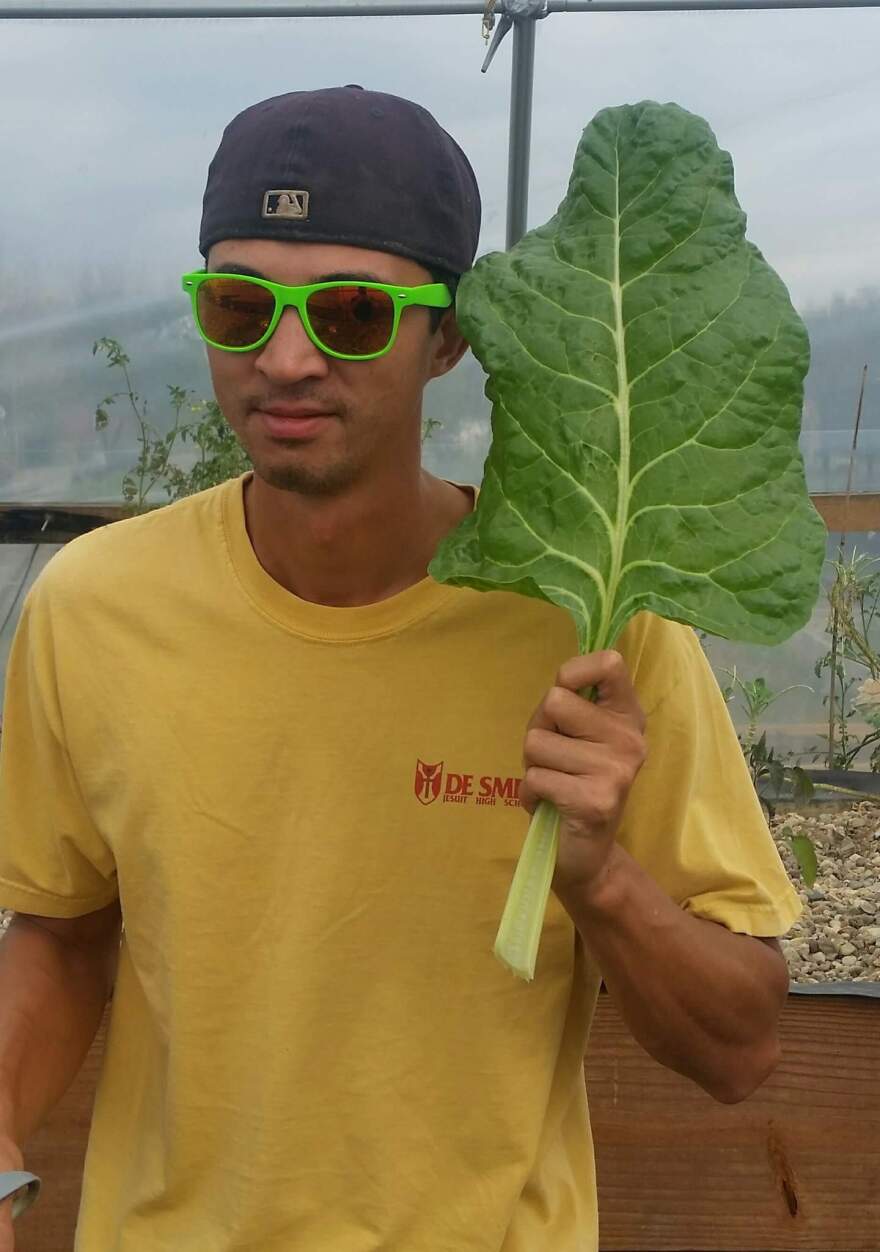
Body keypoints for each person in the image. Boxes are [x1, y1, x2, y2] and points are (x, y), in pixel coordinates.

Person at [0, 85, 801, 1252]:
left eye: (353, 315)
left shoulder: (591, 639)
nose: (284, 358)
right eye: (239, 304)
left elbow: (744, 1048)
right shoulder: (94, 607)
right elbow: (65, 929)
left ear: (449, 340)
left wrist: (601, 878)